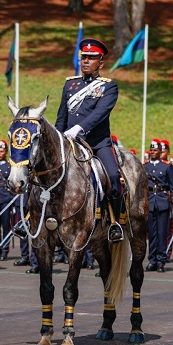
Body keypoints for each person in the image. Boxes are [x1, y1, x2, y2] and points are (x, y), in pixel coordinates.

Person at [55, 38, 123, 242]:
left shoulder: (109, 87)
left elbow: (100, 113)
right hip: (70, 143)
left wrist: (79, 128)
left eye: (91, 58)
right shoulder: (70, 84)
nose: (85, 61)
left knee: (112, 176)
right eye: (83, 57)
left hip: (97, 143)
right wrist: (58, 138)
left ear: (100, 63)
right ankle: (33, 217)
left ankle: (115, 222)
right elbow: (61, 117)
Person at [144, 139, 173, 272]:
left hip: (163, 202)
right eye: (151, 150)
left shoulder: (167, 167)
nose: (153, 152)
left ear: (160, 152)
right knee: (151, 234)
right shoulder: (145, 167)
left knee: (162, 233)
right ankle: (152, 260)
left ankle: (160, 261)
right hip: (150, 202)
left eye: (155, 150)